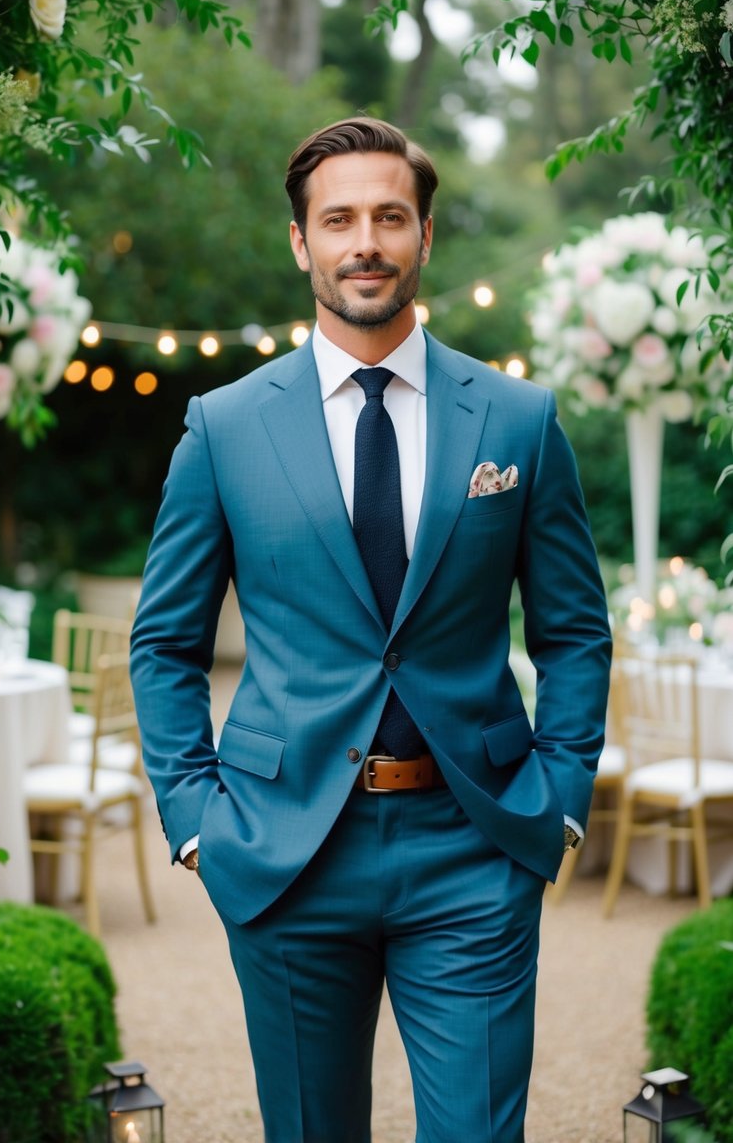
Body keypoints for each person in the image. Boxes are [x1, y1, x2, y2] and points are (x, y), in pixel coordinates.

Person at [130, 116, 612, 1143]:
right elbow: (166, 642)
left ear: (424, 237)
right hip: (282, 843)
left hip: (472, 842)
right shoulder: (223, 427)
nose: (366, 242)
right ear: (300, 241)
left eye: (389, 217)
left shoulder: (518, 422)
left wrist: (559, 797)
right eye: (338, 218)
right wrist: (194, 820)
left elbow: (574, 630)